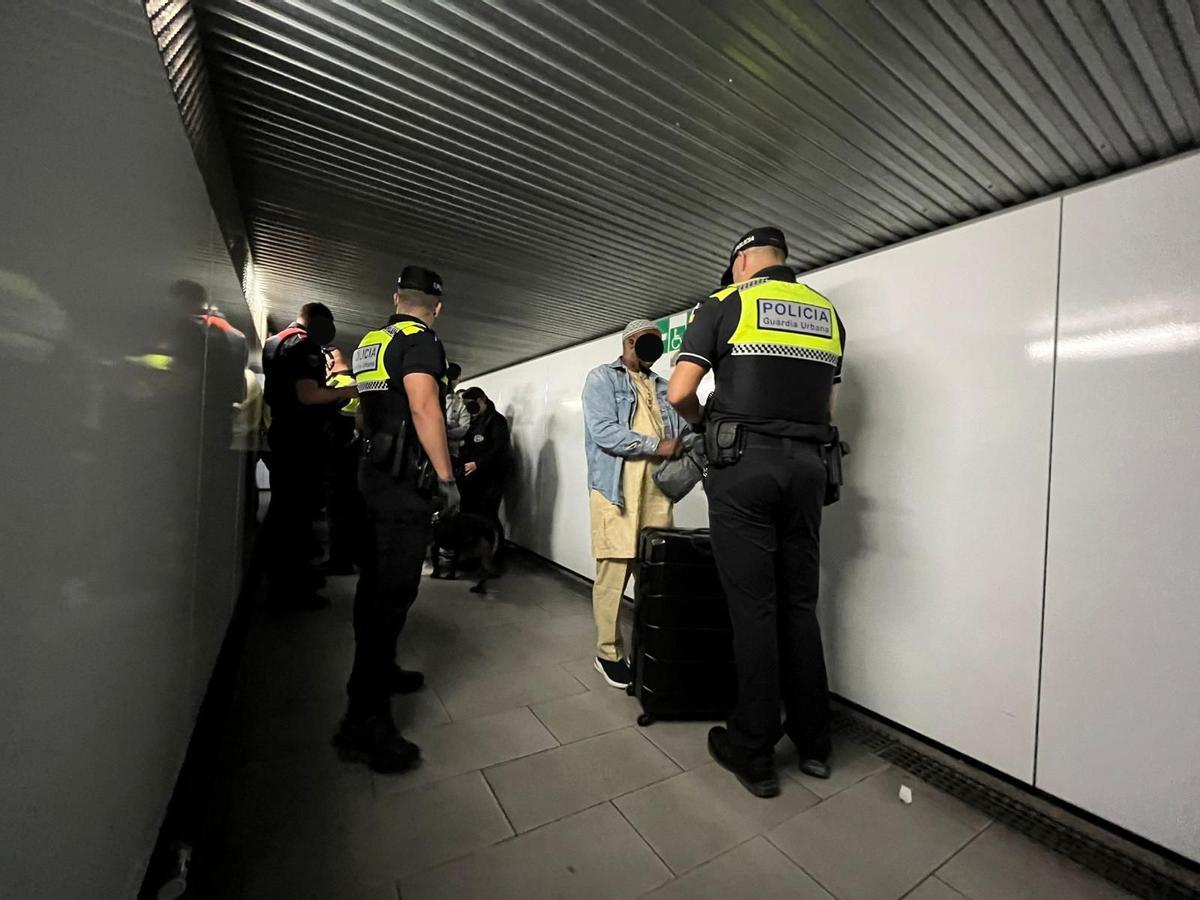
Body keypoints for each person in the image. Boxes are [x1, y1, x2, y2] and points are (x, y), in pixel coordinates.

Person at [667, 227, 846, 798]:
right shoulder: (826, 312)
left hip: (746, 469)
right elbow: (828, 402)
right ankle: (815, 744)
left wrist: (703, 425)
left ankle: (754, 750)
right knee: (800, 603)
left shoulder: (726, 302)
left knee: (755, 610)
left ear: (742, 261)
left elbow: (678, 391)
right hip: (810, 470)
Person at [333, 266, 460, 774]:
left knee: (376, 585)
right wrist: (447, 480)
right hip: (404, 484)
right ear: (437, 307)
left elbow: (363, 413)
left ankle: (380, 670)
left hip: (371, 475)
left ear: (395, 297)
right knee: (392, 593)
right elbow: (425, 407)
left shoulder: (371, 342)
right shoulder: (422, 340)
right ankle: (364, 721)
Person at [581, 320, 688, 689]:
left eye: (658, 343)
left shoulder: (662, 386)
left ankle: (649, 648)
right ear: (628, 343)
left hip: (657, 493)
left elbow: (682, 433)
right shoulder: (601, 379)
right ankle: (607, 653)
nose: (652, 349)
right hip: (616, 493)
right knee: (613, 574)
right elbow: (604, 432)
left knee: (653, 575)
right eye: (646, 342)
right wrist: (657, 446)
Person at [260, 302, 356, 610]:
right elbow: (308, 394)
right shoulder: (305, 347)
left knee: (285, 510)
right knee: (296, 515)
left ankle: (288, 577)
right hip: (300, 438)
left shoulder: (275, 341)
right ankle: (291, 589)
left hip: (284, 433)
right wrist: (346, 392)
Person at [322, 348, 363, 576]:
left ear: (329, 363)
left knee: (338, 512)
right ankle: (352, 557)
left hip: (337, 457)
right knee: (353, 511)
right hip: (354, 457)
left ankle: (340, 561)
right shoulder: (356, 383)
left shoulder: (335, 384)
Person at [457, 386, 511, 557]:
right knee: (471, 515)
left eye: (471, 405)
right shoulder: (474, 421)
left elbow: (498, 448)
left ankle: (495, 555)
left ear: (481, 400)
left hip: (491, 478)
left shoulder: (497, 421)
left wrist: (478, 464)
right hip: (472, 479)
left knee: (488, 515)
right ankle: (474, 554)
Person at [444, 363, 471, 463]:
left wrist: (443, 433)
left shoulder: (460, 403)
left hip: (450, 453)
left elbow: (464, 428)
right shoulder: (431, 398)